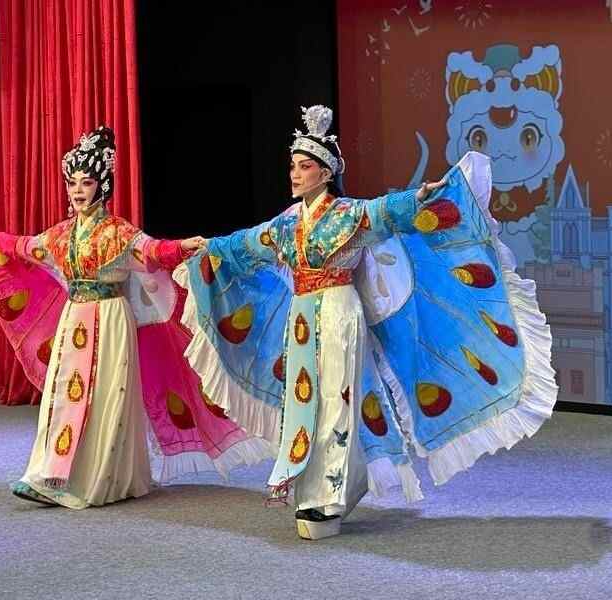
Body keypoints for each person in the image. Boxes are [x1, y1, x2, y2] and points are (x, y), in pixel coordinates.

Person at [174, 106, 557, 539]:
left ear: (325, 173)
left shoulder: (349, 215)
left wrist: (419, 197)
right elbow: (245, 245)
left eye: (304, 167)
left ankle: (330, 495)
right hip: (301, 318)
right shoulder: (287, 224)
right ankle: (312, 489)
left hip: (339, 312)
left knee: (336, 400)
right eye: (292, 166)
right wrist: (206, 248)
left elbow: (388, 212)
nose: (295, 174)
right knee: (304, 402)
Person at [0, 126, 270, 509]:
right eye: (72, 183)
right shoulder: (62, 234)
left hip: (110, 319)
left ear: (102, 186)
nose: (78, 191)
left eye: (86, 182)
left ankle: (104, 478)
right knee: (64, 394)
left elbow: (153, 251)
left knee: (106, 398)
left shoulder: (118, 232)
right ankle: (49, 473)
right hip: (74, 318)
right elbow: (26, 247)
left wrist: (182, 246)